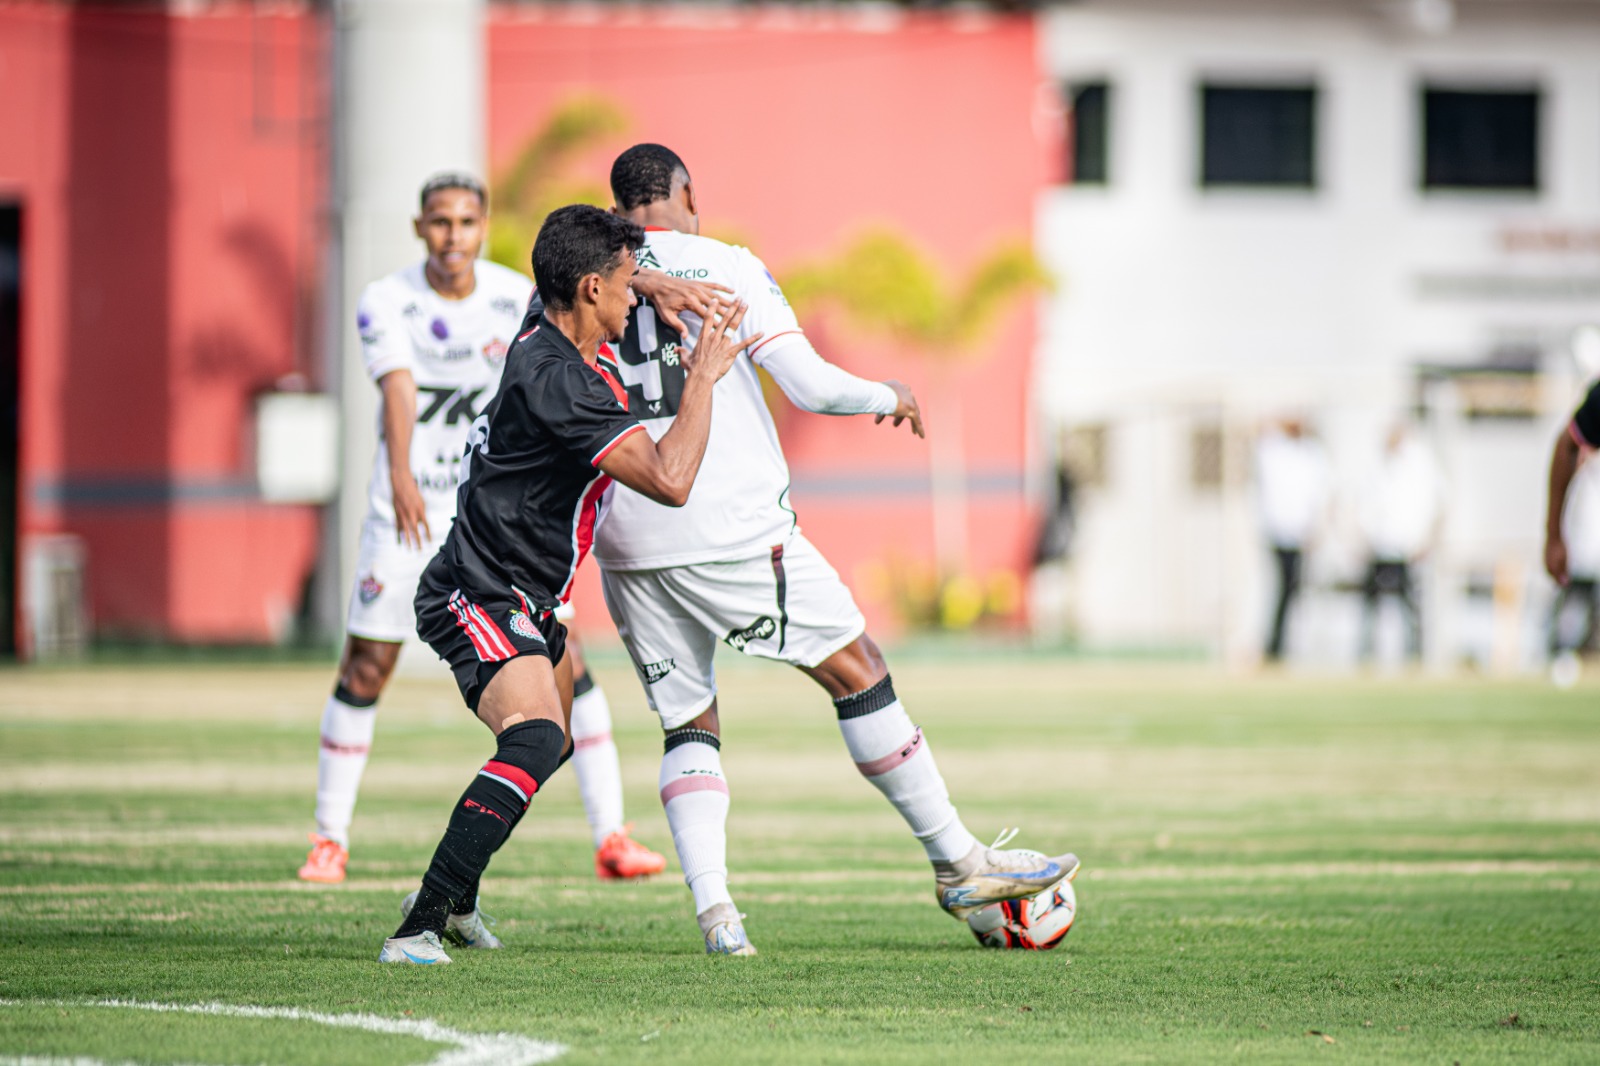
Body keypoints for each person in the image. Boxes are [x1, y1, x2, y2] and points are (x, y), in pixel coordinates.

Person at [593, 143, 1079, 956]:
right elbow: (810, 386)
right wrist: (890, 393)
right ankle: (958, 861)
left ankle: (718, 917)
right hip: (732, 528)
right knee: (858, 668)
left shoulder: (584, 272)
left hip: (626, 534)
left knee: (689, 722)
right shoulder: (725, 265)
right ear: (686, 193)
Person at [380, 204, 759, 964]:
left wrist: (655, 281)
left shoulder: (545, 320)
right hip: (478, 589)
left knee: (550, 748)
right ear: (590, 290)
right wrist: (705, 378)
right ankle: (419, 925)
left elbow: (577, 255)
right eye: (625, 288)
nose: (634, 302)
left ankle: (458, 901)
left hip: (530, 595)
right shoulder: (560, 383)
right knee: (538, 736)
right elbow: (671, 479)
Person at [299, 173, 675, 888]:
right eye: (439, 222)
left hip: (510, 509)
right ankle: (331, 839)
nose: (453, 237)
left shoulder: (515, 297)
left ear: (483, 226)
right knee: (367, 667)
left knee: (568, 676)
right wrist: (403, 474)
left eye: (466, 222)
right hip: (415, 504)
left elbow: (592, 299)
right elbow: (400, 388)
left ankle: (612, 835)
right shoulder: (387, 298)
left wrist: (659, 285)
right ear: (420, 229)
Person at [1356, 423, 1441, 663]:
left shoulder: (1421, 464)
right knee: (1371, 606)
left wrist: (1427, 540)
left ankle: (1414, 654)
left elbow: (1436, 504)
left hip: (1408, 547)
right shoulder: (1377, 465)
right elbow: (1364, 505)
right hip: (1379, 546)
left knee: (1410, 607)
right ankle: (1365, 654)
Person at [1256, 417, 1330, 663]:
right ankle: (1276, 646)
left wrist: (1318, 529)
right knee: (1283, 589)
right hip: (1278, 532)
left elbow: (1322, 493)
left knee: (1297, 592)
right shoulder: (1273, 450)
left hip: (1302, 535)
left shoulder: (1312, 453)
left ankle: (1292, 645)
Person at [1544, 380, 1600, 683]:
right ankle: (1563, 652)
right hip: (1588, 539)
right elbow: (1567, 444)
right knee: (1576, 598)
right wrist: (1554, 535)